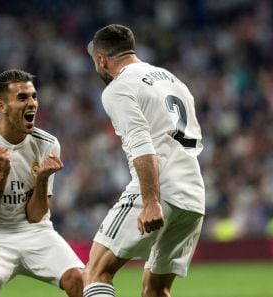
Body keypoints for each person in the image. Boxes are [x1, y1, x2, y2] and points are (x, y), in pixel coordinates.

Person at [84, 24, 205, 297]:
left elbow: (142, 143)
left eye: (95, 61)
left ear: (101, 59)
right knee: (156, 290)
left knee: (95, 272)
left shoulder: (119, 88)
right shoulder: (173, 80)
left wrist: (151, 200)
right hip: (193, 194)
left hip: (158, 189)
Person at [0, 69, 84, 297]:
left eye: (34, 96)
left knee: (79, 280)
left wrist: (42, 179)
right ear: (1, 106)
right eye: (22, 98)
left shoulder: (48, 144)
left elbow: (36, 215)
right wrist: (2, 173)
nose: (32, 103)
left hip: (34, 231)